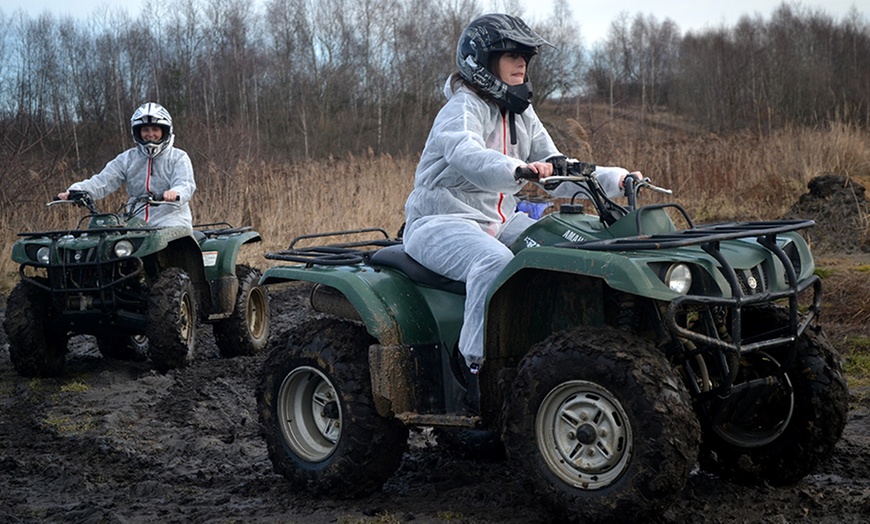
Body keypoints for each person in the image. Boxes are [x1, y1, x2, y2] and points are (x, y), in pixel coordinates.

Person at [403, 13, 639, 373]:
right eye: (512, 55)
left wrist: (617, 181)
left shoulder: (521, 113)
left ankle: (562, 353)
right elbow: (465, 155)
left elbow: (557, 168)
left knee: (562, 248)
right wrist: (516, 169)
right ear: (483, 62)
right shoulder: (461, 108)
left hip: (498, 222)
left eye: (526, 57)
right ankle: (476, 367)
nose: (522, 63)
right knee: (493, 262)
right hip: (440, 222)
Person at [58, 102, 196, 230]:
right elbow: (102, 181)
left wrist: (175, 193)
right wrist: (77, 190)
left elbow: (185, 184)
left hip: (172, 220)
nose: (150, 134)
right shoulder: (127, 158)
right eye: (145, 130)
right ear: (137, 132)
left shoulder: (178, 157)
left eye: (155, 129)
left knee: (168, 245)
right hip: (136, 221)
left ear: (165, 131)